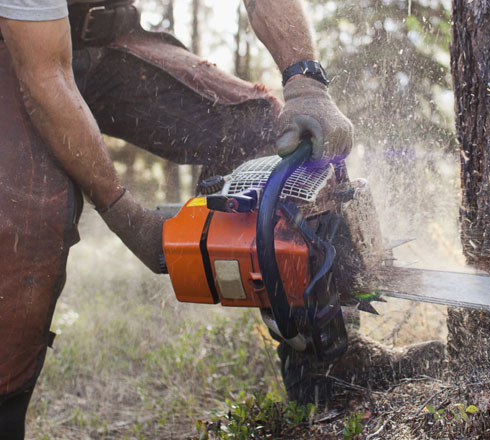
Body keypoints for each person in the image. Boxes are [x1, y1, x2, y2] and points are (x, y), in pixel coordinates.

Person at [0, 1, 355, 437]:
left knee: (264, 130)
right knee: (25, 228)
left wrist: (306, 83)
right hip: (19, 49)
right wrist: (126, 215)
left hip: (101, 38)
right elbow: (45, 75)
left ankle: (332, 373)